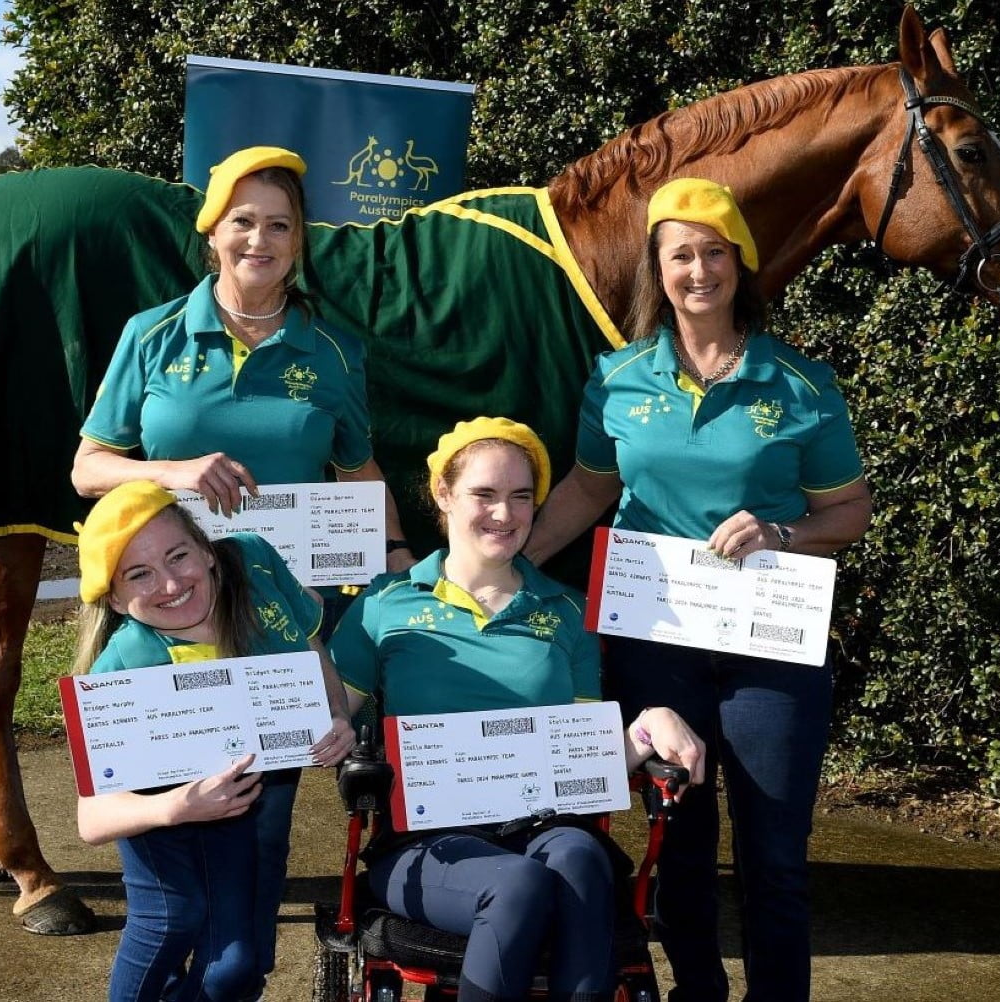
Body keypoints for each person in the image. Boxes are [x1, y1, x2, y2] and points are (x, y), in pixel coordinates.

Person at [71, 145, 412, 992]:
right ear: (213, 233)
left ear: (299, 242)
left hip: (272, 630)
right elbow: (87, 468)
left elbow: (358, 475)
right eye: (244, 221)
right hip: (163, 615)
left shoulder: (331, 351)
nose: (261, 238)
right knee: (168, 887)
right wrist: (175, 474)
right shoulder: (149, 335)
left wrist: (398, 556)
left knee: (253, 865)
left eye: (281, 225)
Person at [524, 178, 873, 1002]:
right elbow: (587, 487)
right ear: (658, 266)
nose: (698, 270)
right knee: (676, 837)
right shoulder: (618, 379)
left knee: (774, 855)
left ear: (741, 264)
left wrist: (780, 533)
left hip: (771, 651)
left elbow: (849, 511)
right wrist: (508, 563)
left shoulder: (802, 384)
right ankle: (698, 991)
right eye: (681, 253)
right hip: (654, 643)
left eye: (715, 252)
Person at [331, 417, 707, 1002]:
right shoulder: (386, 605)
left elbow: (584, 751)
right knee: (519, 885)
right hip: (427, 842)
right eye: (484, 494)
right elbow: (326, 716)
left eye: (521, 496)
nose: (504, 515)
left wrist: (648, 722)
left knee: (583, 859)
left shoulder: (566, 612)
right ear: (443, 494)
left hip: (546, 826)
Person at [74, 480, 355, 1002]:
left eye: (178, 556)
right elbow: (92, 819)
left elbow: (308, 642)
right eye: (140, 575)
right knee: (174, 923)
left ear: (206, 550)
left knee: (240, 962)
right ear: (115, 597)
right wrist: (178, 806)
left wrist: (335, 714)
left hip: (259, 795)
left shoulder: (253, 562)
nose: (170, 583)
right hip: (167, 814)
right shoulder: (125, 664)